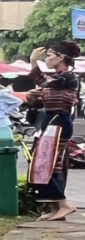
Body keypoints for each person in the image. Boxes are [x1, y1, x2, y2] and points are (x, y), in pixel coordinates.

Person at [26, 42, 79, 222]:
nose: (46, 58)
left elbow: (44, 83)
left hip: (59, 122)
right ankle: (56, 206)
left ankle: (63, 205)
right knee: (48, 165)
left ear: (61, 57)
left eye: (49, 55)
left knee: (45, 163)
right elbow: (42, 100)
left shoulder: (68, 77)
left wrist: (33, 62)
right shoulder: (58, 79)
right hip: (51, 122)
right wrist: (33, 97)